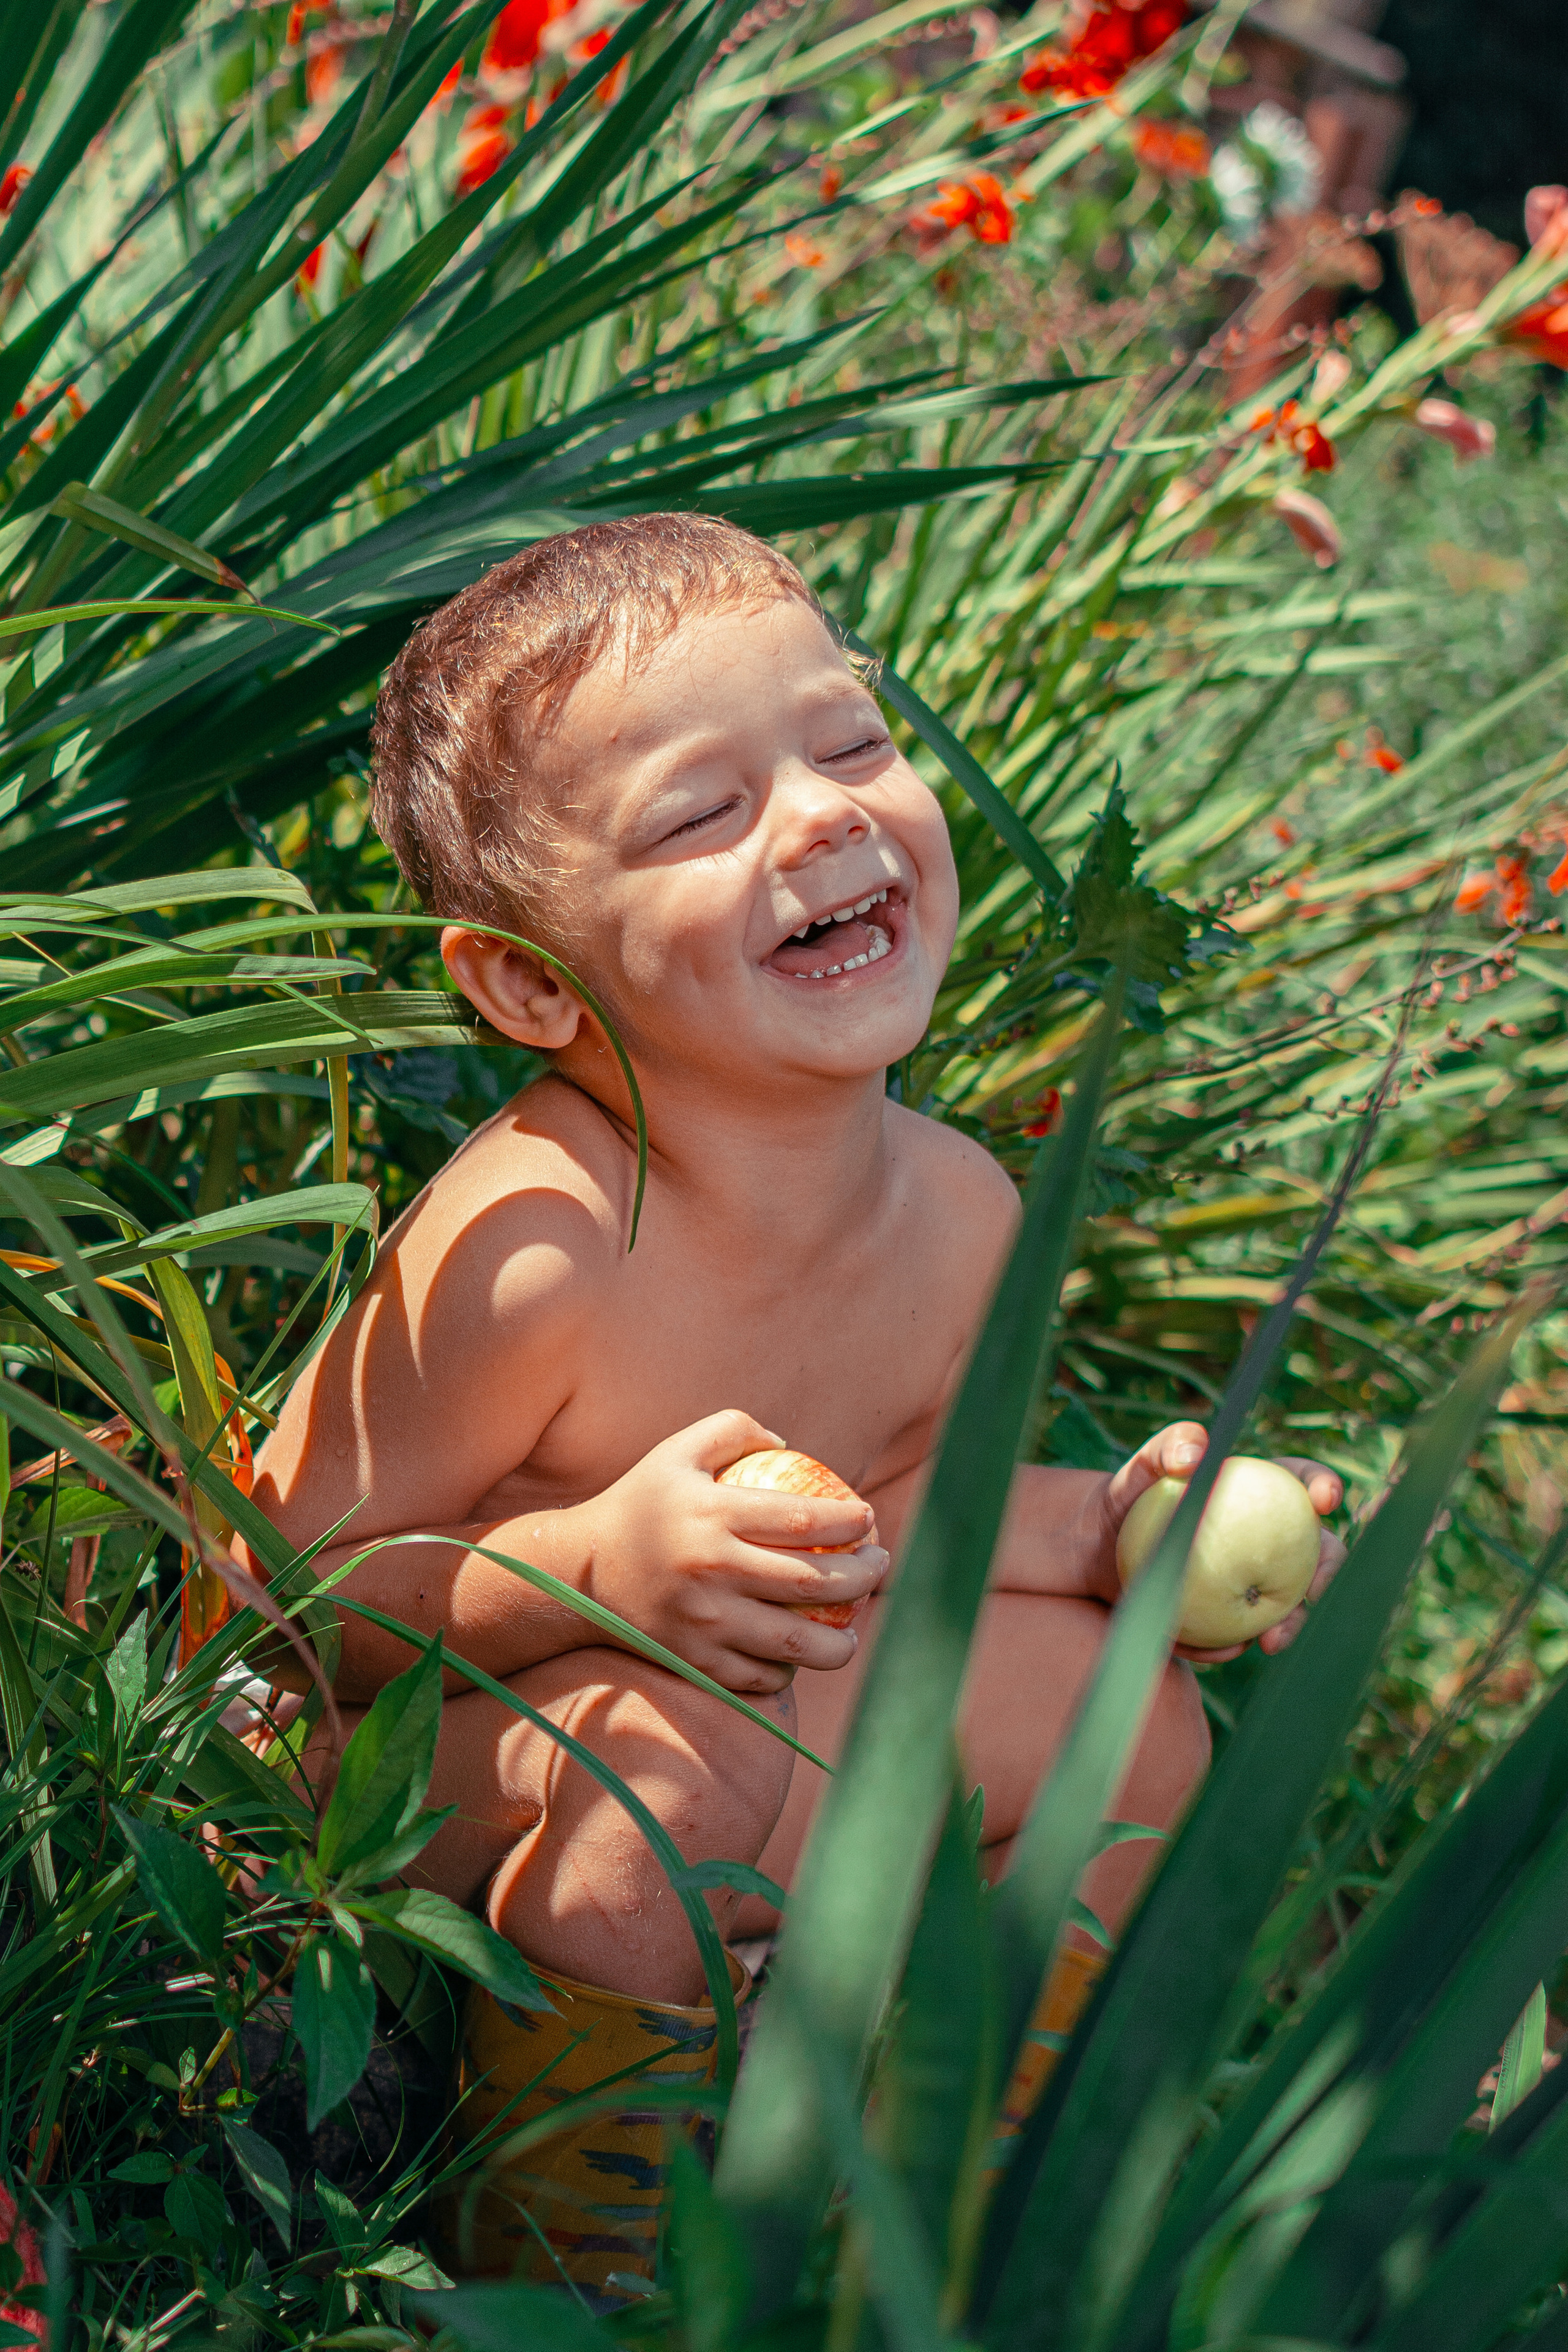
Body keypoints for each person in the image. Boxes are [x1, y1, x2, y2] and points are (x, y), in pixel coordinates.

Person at [248, 513, 1342, 2291]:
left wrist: (1110, 1527)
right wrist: (598, 1561)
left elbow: (892, 1538)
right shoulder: (542, 1242)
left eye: (852, 743)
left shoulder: (962, 1211)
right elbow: (290, 1613)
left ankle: (968, 2176)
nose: (826, 816)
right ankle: (558, 2241)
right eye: (702, 811)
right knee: (685, 1748)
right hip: (439, 1803)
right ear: (531, 983)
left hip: (757, 1761)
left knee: (1127, 1716)